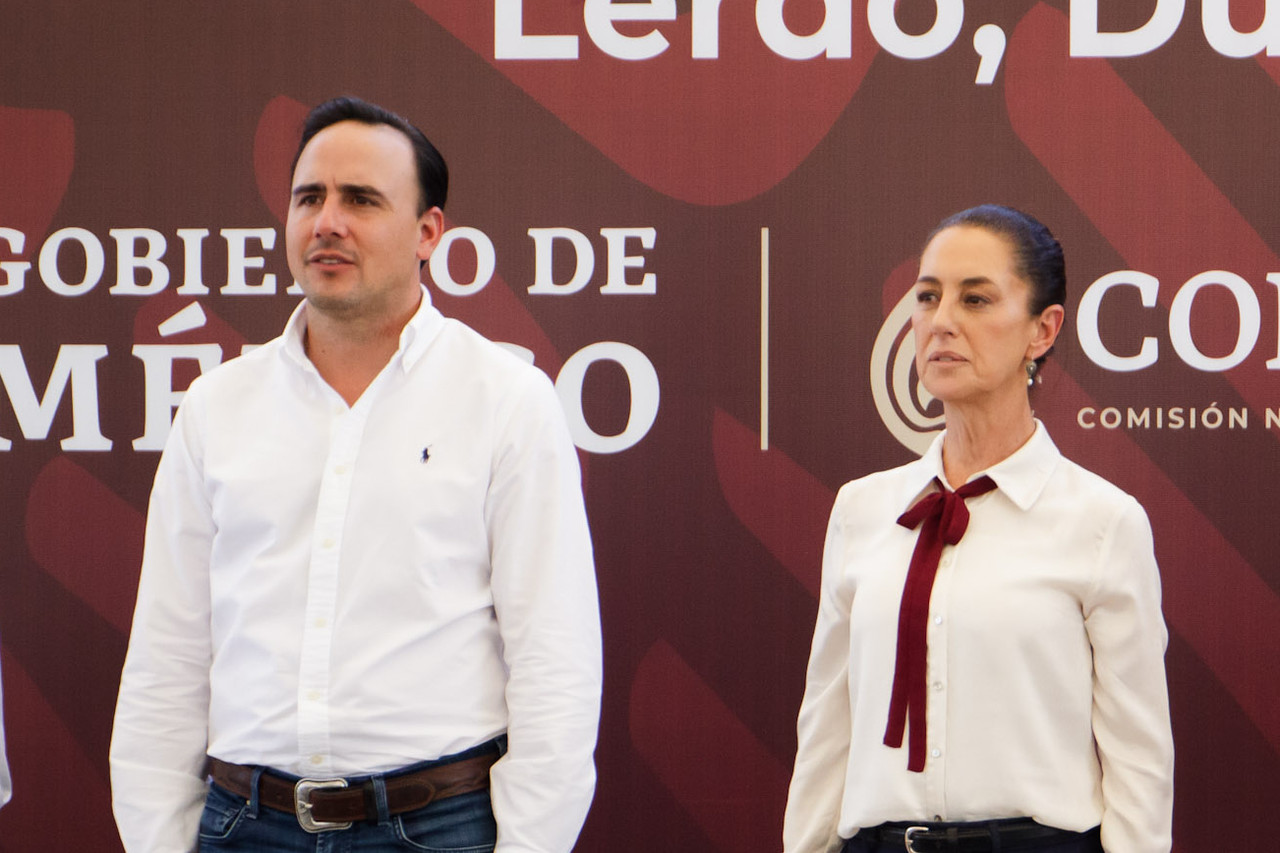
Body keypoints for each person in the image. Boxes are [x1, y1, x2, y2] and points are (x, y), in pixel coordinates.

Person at [111, 96, 602, 853]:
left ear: (428, 232)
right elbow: (166, 658)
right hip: (242, 824)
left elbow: (555, 663)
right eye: (310, 197)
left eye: (361, 200)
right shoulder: (217, 408)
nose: (326, 222)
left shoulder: (505, 400)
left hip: (437, 827)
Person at [783, 205, 1173, 853]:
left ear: (1042, 330)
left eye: (976, 298)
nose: (941, 322)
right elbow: (828, 725)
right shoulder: (861, 509)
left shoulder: (1103, 522)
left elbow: (1139, 760)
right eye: (928, 296)